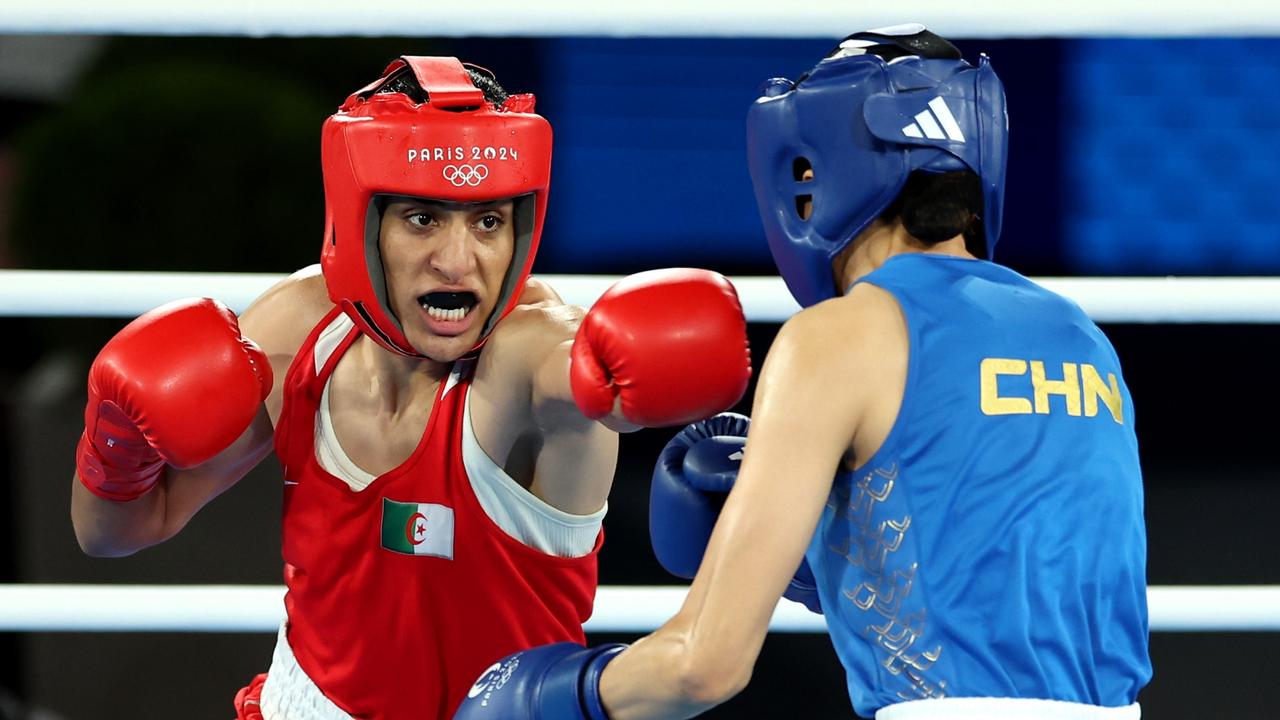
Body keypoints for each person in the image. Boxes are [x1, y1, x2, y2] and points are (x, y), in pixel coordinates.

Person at [454, 24, 1152, 719]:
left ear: (813, 172)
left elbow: (704, 666)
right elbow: (998, 581)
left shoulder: (836, 339)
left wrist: (549, 695)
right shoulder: (1078, 336)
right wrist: (820, 552)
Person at [69, 56, 753, 720]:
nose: (459, 262)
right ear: (360, 224)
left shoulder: (528, 359)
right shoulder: (298, 330)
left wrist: (630, 370)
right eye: (423, 218)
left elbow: (576, 375)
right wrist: (116, 442)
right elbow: (117, 532)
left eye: (488, 221)